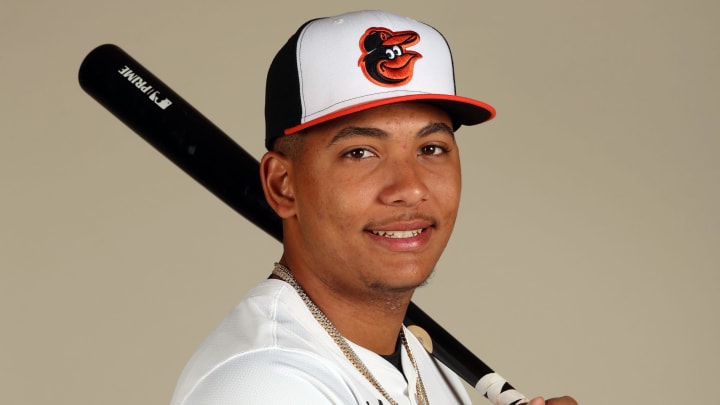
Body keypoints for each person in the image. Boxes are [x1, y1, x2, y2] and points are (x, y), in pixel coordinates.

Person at [170, 10, 578, 405]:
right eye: (361, 152)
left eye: (431, 148)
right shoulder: (262, 385)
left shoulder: (426, 364)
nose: (410, 188)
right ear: (282, 185)